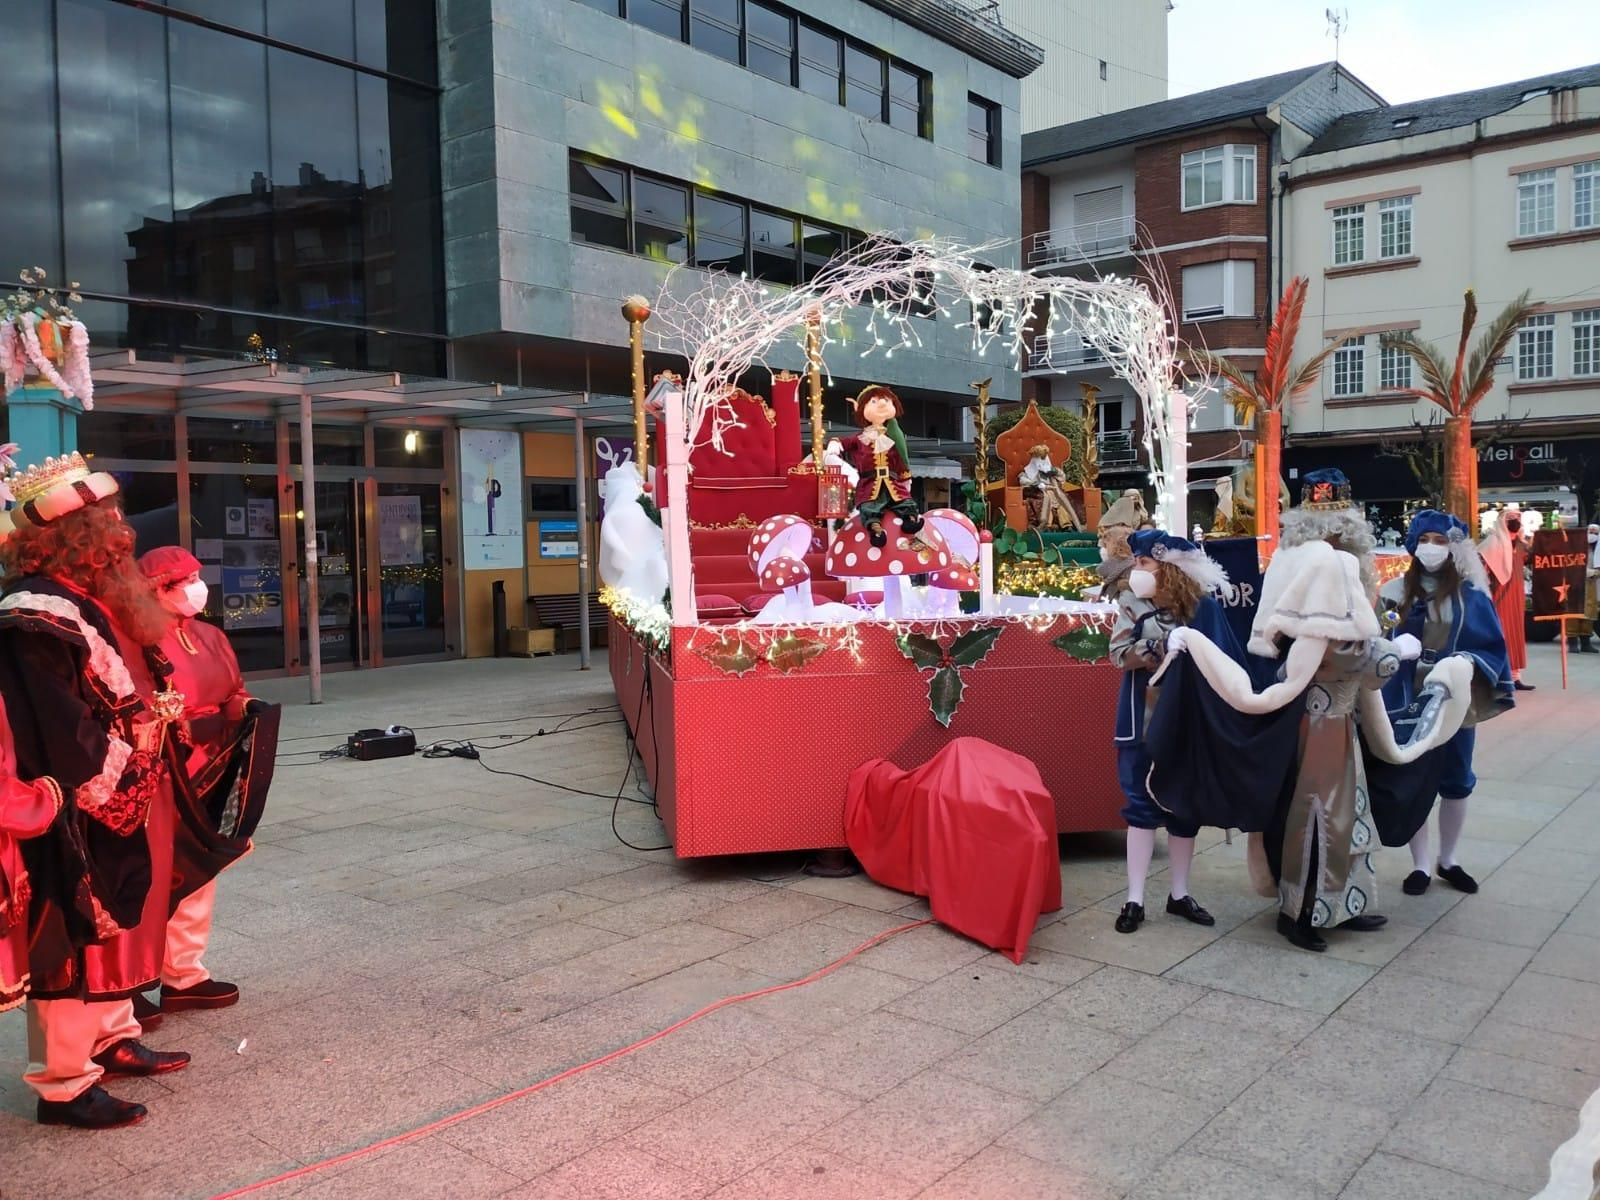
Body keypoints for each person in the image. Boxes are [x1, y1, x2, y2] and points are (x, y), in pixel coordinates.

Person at [1156, 470, 1475, 953]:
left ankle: (1339, 903)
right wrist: (1391, 656)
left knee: (1340, 811)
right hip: (1323, 716)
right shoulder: (1331, 564)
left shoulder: (1293, 558)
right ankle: (1302, 910)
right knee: (1322, 816)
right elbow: (1332, 650)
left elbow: (1298, 646)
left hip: (1325, 714)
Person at [0, 453, 193, 1128]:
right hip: (70, 798)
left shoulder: (81, 598)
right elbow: (58, 726)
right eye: (105, 519)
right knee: (67, 933)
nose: (122, 531)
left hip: (106, 789)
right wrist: (123, 773)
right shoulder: (34, 614)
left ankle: (110, 1039)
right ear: (70, 535)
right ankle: (62, 1084)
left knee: (111, 920)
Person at [132, 546, 248, 1023]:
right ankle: (129, 981)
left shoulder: (211, 635)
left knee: (201, 872)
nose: (197, 588)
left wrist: (246, 712)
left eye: (198, 576)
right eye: (184, 580)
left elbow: (235, 690)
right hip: (160, 773)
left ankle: (184, 974)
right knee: (148, 875)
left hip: (214, 767)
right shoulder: (135, 640)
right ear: (156, 589)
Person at [1107, 529, 1237, 934]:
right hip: (1141, 723)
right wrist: (1160, 648)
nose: (1136, 570)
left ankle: (1179, 894)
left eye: (1143, 563)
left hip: (1188, 724)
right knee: (1140, 808)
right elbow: (1116, 656)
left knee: (1184, 808)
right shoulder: (1129, 603)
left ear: (1169, 568)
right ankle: (1134, 899)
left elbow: (1225, 663)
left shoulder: (1205, 609)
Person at [1377, 511, 1513, 896]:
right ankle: (1419, 865)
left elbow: (1490, 646)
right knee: (1413, 779)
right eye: (1426, 540)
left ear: (1453, 547)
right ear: (1413, 544)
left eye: (1440, 541)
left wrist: (1463, 662)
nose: (1432, 548)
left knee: (1456, 780)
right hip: (1406, 702)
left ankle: (1448, 860)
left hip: (1453, 703)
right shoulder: (1392, 592)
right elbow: (1375, 644)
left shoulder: (1470, 596)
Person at [839, 385, 921, 547]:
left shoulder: (893, 436)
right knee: (870, 508)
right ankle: (876, 531)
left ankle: (910, 520)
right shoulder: (862, 437)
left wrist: (905, 478)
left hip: (892, 483)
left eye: (886, 400)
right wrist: (835, 443)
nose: (882, 404)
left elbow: (900, 459)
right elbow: (845, 442)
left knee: (905, 502)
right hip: (870, 485)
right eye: (874, 401)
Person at [1479, 505, 1533, 689]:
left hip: (1516, 596)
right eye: (1510, 520)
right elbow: (1480, 568)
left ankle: (1515, 677)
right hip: (1499, 596)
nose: (1514, 523)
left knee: (1516, 634)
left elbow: (1532, 559)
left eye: (1517, 519)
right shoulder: (1493, 543)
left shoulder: (1520, 543)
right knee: (1501, 634)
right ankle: (1497, 675)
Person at [1018, 444, 1079, 530]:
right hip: (1039, 493)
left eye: (1044, 457)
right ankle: (1046, 525)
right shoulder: (1028, 472)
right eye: (1039, 457)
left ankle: (1067, 525)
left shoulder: (1050, 471)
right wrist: (1038, 484)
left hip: (1054, 492)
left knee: (1062, 500)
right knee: (1046, 500)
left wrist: (1055, 471)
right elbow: (1023, 481)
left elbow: (1062, 477)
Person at [1572, 523, 1600, 654]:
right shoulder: (1575, 546)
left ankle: (1585, 642)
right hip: (1575, 583)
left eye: (1596, 533)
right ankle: (1572, 642)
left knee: (1589, 611)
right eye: (1591, 532)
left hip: (1591, 584)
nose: (1593, 535)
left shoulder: (1597, 549)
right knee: (1573, 610)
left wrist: (1595, 572)